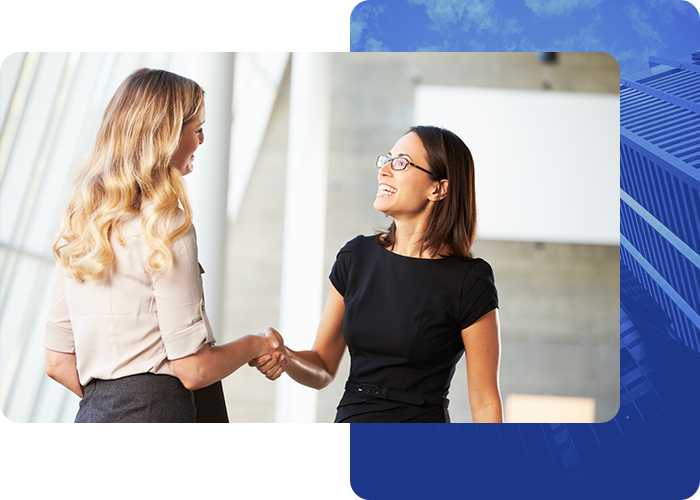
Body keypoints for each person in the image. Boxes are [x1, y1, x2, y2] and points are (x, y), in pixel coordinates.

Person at [44, 68, 278, 424]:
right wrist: (256, 344)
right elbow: (193, 370)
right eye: (197, 129)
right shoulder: (168, 227)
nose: (202, 140)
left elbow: (57, 362)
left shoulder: (83, 224)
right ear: (166, 135)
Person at [251, 126, 503, 423]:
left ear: (438, 188)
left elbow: (485, 402)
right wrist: (286, 357)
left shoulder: (470, 281)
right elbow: (323, 367)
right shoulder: (355, 257)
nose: (384, 169)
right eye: (387, 159)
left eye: (401, 163)